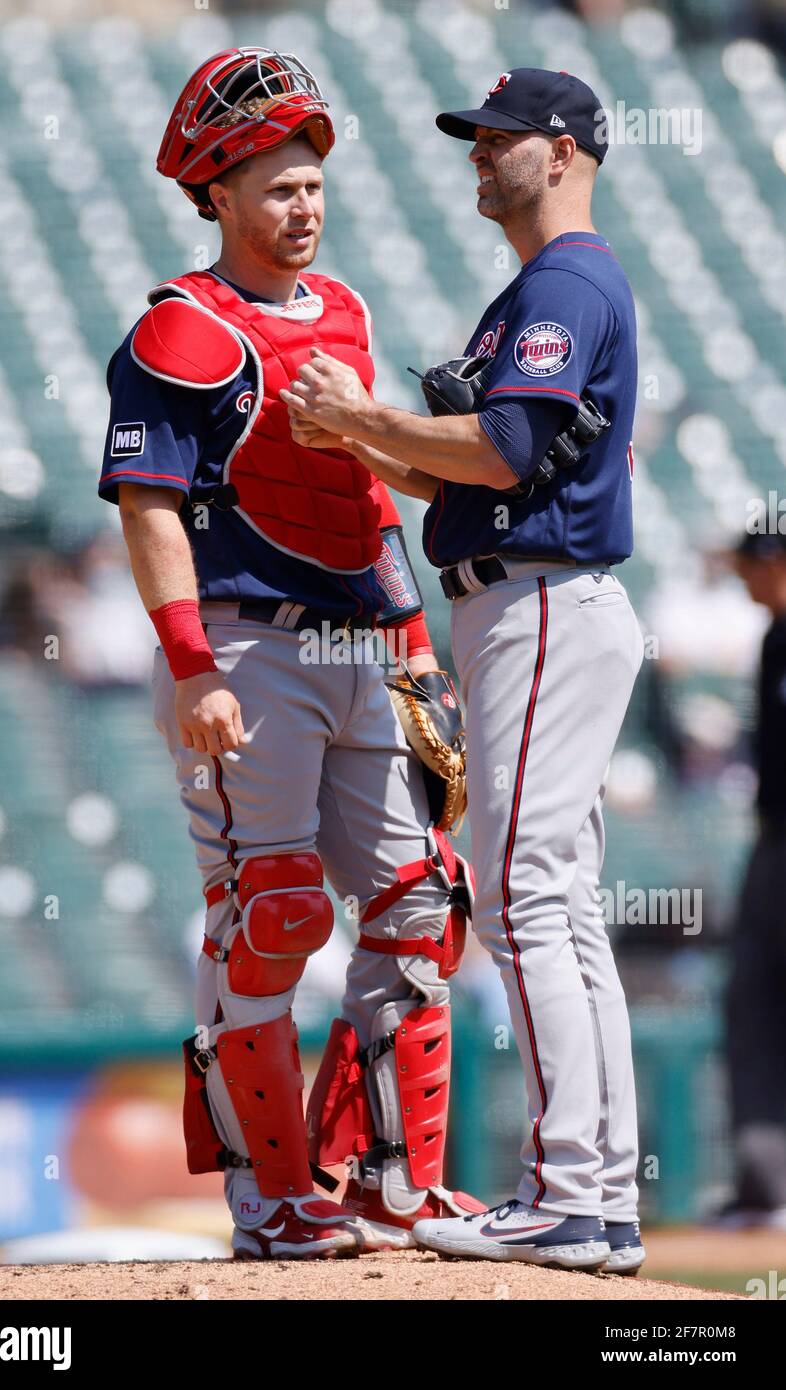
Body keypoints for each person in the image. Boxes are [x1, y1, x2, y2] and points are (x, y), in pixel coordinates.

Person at [98, 47, 484, 1261]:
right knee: (267, 910)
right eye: (276, 185)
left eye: (313, 182)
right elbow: (147, 505)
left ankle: (388, 1184)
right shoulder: (179, 329)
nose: (304, 205)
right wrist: (189, 665)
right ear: (215, 192)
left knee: (421, 902)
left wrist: (417, 646)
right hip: (245, 647)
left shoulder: (348, 313)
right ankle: (270, 1199)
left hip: (360, 647)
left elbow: (364, 493)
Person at [283, 68, 645, 1273]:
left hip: (539, 601)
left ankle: (564, 1196)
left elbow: (497, 450)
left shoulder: (566, 280)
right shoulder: (533, 291)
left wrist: (363, 414)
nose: (477, 157)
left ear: (562, 151)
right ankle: (593, 1195)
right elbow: (472, 474)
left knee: (523, 890)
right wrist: (364, 436)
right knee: (559, 903)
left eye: (497, 140)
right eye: (474, 140)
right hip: (534, 596)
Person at [717, 531, 786, 1229]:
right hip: (773, 846)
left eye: (751, 570)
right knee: (752, 1002)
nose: (745, 583)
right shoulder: (774, 639)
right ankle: (767, 1188)